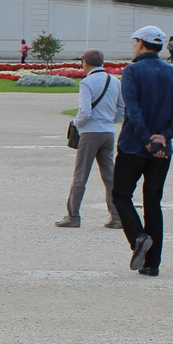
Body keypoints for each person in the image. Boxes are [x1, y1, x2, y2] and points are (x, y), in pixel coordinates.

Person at [111, 26, 173, 277]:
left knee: (121, 195)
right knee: (153, 202)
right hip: (162, 150)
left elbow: (133, 110)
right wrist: (164, 136)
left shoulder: (132, 71)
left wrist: (147, 139)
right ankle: (152, 263)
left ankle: (138, 238)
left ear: (141, 44)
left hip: (134, 146)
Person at [57, 49, 123, 229]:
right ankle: (117, 216)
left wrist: (76, 124)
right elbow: (122, 108)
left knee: (81, 175)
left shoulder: (87, 82)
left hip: (90, 133)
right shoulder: (115, 81)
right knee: (110, 176)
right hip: (108, 133)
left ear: (85, 63)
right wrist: (110, 121)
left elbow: (85, 112)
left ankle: (73, 215)